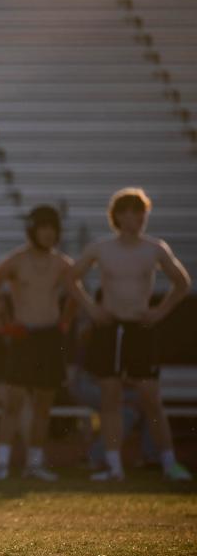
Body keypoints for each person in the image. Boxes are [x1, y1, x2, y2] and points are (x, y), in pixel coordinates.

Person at [66, 187, 192, 481]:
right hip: (110, 328)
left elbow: (181, 282)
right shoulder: (102, 248)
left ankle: (169, 462)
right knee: (111, 397)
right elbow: (71, 277)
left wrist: (159, 312)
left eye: (141, 212)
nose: (137, 218)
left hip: (139, 328)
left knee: (151, 397)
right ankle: (114, 466)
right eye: (131, 212)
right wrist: (92, 308)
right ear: (118, 216)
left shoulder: (154, 247)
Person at [0, 206, 74, 480]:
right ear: (33, 230)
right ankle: (2, 462)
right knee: (14, 402)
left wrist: (65, 322)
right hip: (24, 336)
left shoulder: (62, 263)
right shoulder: (17, 260)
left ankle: (34, 462)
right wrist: (0, 325)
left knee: (44, 404)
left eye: (52, 228)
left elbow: (76, 295)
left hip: (49, 336)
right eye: (43, 227)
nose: (48, 233)